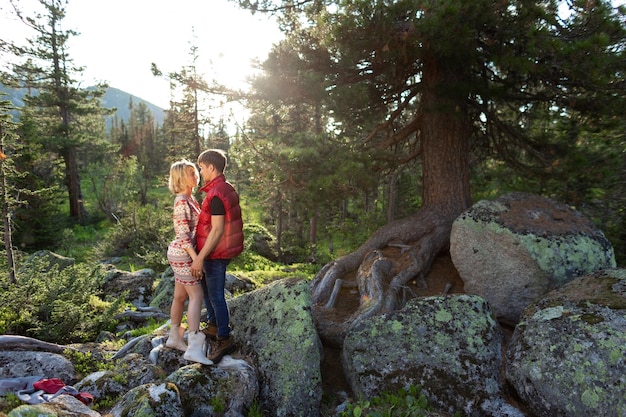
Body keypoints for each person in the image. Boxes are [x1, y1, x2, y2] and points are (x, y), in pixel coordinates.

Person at [191, 149, 244, 364]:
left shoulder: (216, 194)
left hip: (215, 253)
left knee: (215, 295)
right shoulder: (222, 188)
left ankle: (224, 336)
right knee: (207, 290)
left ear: (211, 167)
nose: (201, 171)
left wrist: (199, 258)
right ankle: (213, 326)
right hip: (215, 252)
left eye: (202, 167)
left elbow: (217, 230)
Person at [165, 159, 212, 365]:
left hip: (181, 252)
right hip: (184, 253)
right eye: (191, 173)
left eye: (196, 172)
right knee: (197, 295)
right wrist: (196, 261)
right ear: (181, 178)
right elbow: (183, 235)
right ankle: (193, 346)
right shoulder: (182, 201)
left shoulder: (190, 198)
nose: (196, 176)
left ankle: (174, 338)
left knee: (180, 295)